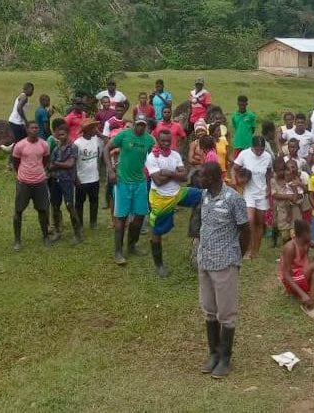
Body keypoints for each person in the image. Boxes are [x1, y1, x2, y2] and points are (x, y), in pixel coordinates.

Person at [195, 162, 249, 379]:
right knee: (209, 309)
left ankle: (225, 358)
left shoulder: (233, 199)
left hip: (225, 262)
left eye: (203, 176)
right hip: (205, 262)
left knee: (226, 313)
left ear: (215, 177)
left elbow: (245, 230)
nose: (200, 178)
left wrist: (237, 256)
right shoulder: (204, 196)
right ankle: (214, 354)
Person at [146, 130, 204, 277]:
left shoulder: (176, 155)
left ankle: (196, 229)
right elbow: (158, 181)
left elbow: (184, 177)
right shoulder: (152, 157)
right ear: (158, 141)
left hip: (178, 193)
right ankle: (159, 265)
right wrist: (175, 174)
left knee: (203, 195)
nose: (166, 144)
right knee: (156, 231)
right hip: (161, 198)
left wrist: (168, 172)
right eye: (163, 141)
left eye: (168, 141)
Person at [106, 117, 156, 265]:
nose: (140, 128)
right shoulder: (124, 135)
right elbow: (106, 149)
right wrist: (110, 171)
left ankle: (132, 245)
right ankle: (118, 251)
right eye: (138, 125)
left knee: (140, 216)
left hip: (140, 182)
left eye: (143, 125)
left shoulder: (149, 140)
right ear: (134, 124)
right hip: (122, 181)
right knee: (121, 218)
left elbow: (155, 154)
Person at [11, 121, 51, 250]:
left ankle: (45, 236)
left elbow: (46, 160)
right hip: (24, 183)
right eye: (32, 128)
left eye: (36, 128)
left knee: (43, 210)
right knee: (18, 211)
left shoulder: (44, 144)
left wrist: (38, 172)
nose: (35, 130)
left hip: (40, 182)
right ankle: (17, 240)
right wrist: (23, 174)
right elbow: (16, 162)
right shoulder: (20, 145)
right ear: (27, 130)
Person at [232, 136, 274, 258]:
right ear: (252, 147)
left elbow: (269, 173)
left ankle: (256, 250)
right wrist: (235, 181)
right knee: (249, 220)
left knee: (259, 222)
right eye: (257, 149)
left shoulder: (267, 156)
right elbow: (234, 169)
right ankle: (248, 248)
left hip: (262, 192)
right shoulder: (244, 154)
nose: (259, 152)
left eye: (261, 149)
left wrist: (269, 188)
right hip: (249, 192)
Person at [47, 119, 81, 245]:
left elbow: (70, 164)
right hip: (55, 180)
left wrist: (57, 164)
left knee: (69, 206)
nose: (60, 137)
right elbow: (50, 166)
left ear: (68, 134)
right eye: (59, 135)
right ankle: (57, 231)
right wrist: (59, 165)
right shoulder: (56, 148)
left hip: (67, 181)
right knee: (55, 206)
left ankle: (77, 233)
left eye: (63, 134)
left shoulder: (73, 147)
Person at [74, 118, 105, 230]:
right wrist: (76, 177)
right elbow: (73, 162)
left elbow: (107, 140)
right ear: (87, 130)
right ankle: (80, 224)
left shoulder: (96, 139)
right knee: (79, 203)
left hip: (94, 178)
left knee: (94, 201)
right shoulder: (77, 143)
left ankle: (93, 222)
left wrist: (99, 134)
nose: (96, 130)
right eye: (94, 128)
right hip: (81, 179)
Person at [270, 159, 303, 245]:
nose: (282, 172)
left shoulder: (290, 178)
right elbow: (274, 195)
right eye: (279, 170)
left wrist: (295, 195)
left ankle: (295, 254)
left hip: (294, 210)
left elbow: (300, 192)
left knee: (294, 234)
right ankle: (286, 253)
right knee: (285, 235)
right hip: (282, 211)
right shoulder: (273, 181)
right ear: (275, 171)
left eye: (283, 169)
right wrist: (288, 196)